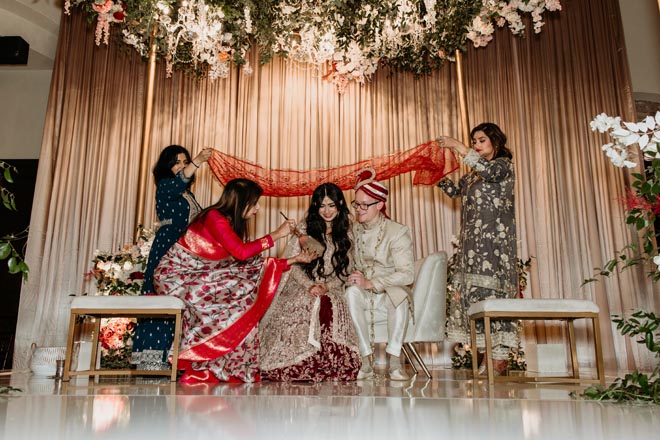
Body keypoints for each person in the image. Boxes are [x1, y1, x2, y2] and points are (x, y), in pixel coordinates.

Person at [153, 178, 315, 383]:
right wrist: (276, 235)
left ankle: (224, 363)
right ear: (242, 201)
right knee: (239, 286)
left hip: (200, 276)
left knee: (245, 284)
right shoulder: (214, 217)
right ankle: (204, 358)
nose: (257, 210)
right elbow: (241, 253)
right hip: (175, 277)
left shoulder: (226, 222)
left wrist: (295, 259)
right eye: (254, 204)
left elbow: (250, 262)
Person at [436, 122, 518, 376]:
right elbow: (454, 192)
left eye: (481, 140)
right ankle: (484, 354)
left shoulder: (502, 166)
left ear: (495, 141)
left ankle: (500, 357)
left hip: (495, 243)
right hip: (472, 244)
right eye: (473, 141)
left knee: (494, 297)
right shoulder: (472, 175)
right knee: (475, 297)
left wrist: (459, 148)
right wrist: (435, 175)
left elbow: (490, 172)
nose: (476, 145)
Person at [260, 183, 362, 382]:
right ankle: (302, 362)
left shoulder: (348, 231)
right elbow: (293, 265)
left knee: (328, 304)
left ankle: (330, 363)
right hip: (301, 284)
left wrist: (326, 286)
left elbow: (346, 270)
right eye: (321, 206)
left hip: (332, 287)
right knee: (306, 303)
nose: (326, 211)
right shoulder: (305, 228)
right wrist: (309, 286)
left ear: (340, 203)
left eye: (331, 205)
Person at [132, 145, 213, 369]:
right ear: (167, 167)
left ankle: (178, 361)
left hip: (186, 251)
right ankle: (150, 362)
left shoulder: (188, 194)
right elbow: (178, 183)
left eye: (186, 162)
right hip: (169, 246)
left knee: (182, 302)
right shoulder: (166, 186)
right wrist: (197, 161)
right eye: (178, 162)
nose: (184, 166)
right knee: (160, 300)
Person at [345, 168, 415, 381]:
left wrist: (371, 282)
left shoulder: (397, 231)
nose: (359, 209)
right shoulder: (353, 230)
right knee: (350, 293)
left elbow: (407, 274)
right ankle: (365, 359)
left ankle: (394, 360)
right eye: (356, 204)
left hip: (388, 290)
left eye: (364, 205)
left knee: (399, 297)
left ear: (380, 205)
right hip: (364, 293)